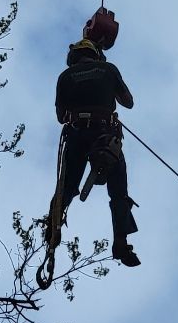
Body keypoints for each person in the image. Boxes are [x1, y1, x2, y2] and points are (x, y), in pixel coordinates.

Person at [50, 37, 140, 267]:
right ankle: (121, 241)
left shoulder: (64, 77)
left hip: (78, 133)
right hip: (104, 134)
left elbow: (61, 117)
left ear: (73, 58)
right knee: (118, 190)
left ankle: (53, 225)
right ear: (96, 55)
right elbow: (128, 102)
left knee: (67, 186)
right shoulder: (108, 69)